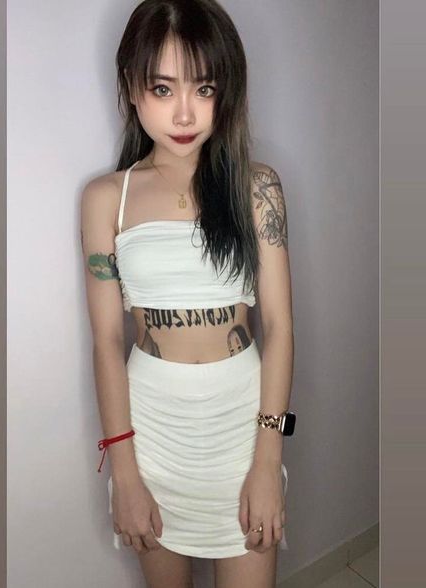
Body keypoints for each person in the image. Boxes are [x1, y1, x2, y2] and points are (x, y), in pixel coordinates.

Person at [80, 1, 294, 586]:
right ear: (132, 87)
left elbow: (279, 328)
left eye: (204, 88)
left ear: (226, 91)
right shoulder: (106, 199)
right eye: (162, 87)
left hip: (243, 429)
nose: (183, 112)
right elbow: (106, 341)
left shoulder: (257, 187)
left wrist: (268, 461)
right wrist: (124, 473)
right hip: (151, 435)